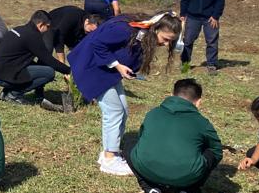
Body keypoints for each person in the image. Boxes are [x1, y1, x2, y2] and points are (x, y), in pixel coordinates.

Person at [69, 12, 181, 177]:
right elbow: (96, 44)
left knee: (123, 110)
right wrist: (117, 65)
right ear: (155, 28)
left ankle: (110, 151)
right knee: (113, 111)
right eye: (165, 39)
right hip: (92, 69)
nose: (166, 44)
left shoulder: (142, 33)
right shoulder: (125, 30)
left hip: (107, 72)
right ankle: (109, 159)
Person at [125, 79, 222, 193]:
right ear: (199, 102)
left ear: (171, 95)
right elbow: (217, 150)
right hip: (187, 174)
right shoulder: (202, 123)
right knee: (210, 153)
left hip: (147, 168)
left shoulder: (153, 113)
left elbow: (142, 138)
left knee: (129, 142)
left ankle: (150, 190)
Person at [0, 10, 71, 110]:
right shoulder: (32, 36)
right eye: (47, 26)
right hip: (2, 75)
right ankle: (13, 94)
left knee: (38, 69)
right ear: (40, 24)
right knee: (49, 73)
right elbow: (49, 60)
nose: (48, 30)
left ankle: (5, 93)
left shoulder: (20, 29)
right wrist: (69, 71)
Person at [180, 0, 226, 72]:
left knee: (212, 41)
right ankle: (185, 64)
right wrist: (183, 14)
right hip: (192, 17)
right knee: (187, 41)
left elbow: (220, 0)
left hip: (210, 18)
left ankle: (212, 64)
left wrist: (215, 16)